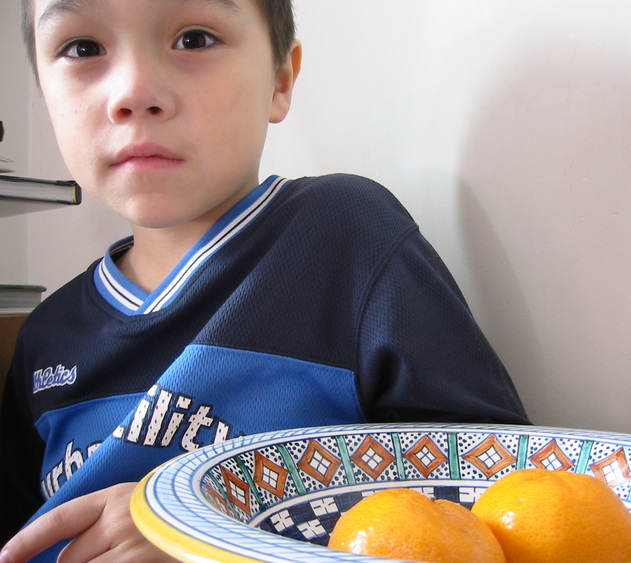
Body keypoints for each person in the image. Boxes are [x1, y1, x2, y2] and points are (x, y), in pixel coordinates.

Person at [0, 0, 530, 560]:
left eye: (195, 38)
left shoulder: (343, 235)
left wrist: (205, 526)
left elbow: (495, 480)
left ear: (280, 81)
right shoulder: (45, 335)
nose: (133, 92)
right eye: (82, 49)